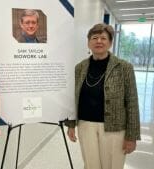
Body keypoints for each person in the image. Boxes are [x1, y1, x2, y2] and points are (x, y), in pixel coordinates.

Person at [65, 23, 141, 169]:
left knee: (112, 165)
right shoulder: (79, 68)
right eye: (94, 38)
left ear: (110, 43)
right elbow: (73, 98)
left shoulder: (124, 67)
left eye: (103, 38)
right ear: (88, 43)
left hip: (114, 128)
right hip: (86, 125)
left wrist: (132, 136)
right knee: (90, 164)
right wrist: (71, 124)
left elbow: (132, 102)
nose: (98, 41)